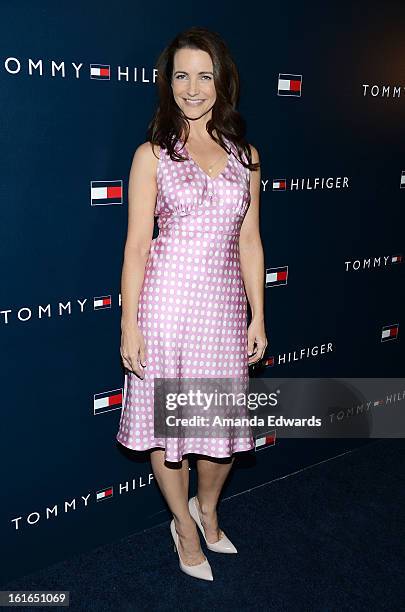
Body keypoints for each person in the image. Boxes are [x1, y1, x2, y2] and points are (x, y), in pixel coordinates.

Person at [116, 26, 268, 581]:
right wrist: (128, 323)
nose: (193, 87)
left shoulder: (245, 156)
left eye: (205, 75)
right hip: (166, 310)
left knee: (219, 436)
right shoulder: (152, 155)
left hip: (224, 312)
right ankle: (182, 524)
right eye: (182, 75)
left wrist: (259, 314)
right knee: (167, 429)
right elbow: (136, 246)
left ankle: (208, 508)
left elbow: (250, 240)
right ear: (168, 83)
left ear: (222, 82)